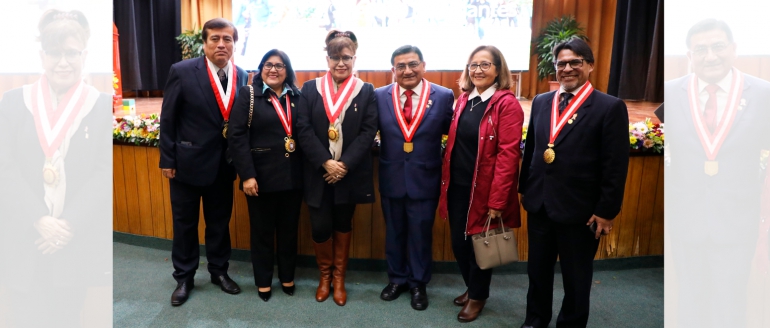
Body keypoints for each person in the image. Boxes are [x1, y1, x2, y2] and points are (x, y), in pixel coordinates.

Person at [0, 9, 112, 326]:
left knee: (68, 315)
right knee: (24, 317)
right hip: (25, 238)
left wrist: (67, 225)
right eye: (54, 53)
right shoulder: (12, 102)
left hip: (72, 242)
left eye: (71, 53)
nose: (63, 62)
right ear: (42, 55)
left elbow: (104, 173)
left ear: (84, 54)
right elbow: (3, 167)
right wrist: (39, 219)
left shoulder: (102, 105)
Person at [664, 19, 770, 327]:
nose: (710, 56)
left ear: (734, 50)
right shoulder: (671, 93)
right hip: (686, 220)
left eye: (718, 47)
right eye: (701, 49)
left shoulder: (763, 94)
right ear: (690, 55)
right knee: (689, 297)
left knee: (730, 299)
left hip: (738, 219)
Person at [518, 37, 629, 328]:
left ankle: (571, 324)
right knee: (537, 272)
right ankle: (535, 319)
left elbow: (615, 165)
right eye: (561, 63)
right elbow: (532, 149)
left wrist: (607, 210)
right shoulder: (542, 102)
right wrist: (525, 189)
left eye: (575, 62)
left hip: (581, 211)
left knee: (576, 278)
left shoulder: (609, 107)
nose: (567, 68)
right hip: (540, 204)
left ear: (589, 66)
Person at [159, 18, 249, 306]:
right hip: (186, 164)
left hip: (224, 166)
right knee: (185, 225)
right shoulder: (183, 71)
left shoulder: (243, 75)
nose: (221, 44)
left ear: (234, 44)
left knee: (219, 224)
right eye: (215, 39)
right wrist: (167, 160)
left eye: (227, 39)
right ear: (205, 43)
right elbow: (169, 118)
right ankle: (184, 278)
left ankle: (219, 271)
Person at [437, 45, 524, 322]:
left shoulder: (506, 104)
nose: (478, 70)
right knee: (459, 243)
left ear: (499, 70)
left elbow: (508, 155)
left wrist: (497, 201)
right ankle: (472, 287)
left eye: (485, 65)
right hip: (458, 186)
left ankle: (478, 296)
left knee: (480, 245)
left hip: (486, 192)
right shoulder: (464, 99)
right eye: (473, 65)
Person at [295, 29, 378, 307]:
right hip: (318, 172)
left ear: (354, 57)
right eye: (334, 57)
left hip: (348, 174)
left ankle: (339, 279)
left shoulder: (366, 91)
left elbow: (368, 132)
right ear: (326, 58)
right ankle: (325, 277)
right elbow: (303, 129)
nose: (340, 63)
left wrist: (342, 165)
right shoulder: (310, 88)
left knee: (343, 223)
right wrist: (325, 161)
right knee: (319, 226)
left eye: (346, 57)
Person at [375, 45, 454, 311]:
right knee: (394, 232)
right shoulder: (378, 96)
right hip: (392, 175)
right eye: (401, 66)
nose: (407, 71)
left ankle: (418, 283)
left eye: (413, 64)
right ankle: (397, 279)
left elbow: (450, 134)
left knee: (421, 234)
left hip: (425, 178)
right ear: (393, 70)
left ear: (423, 65)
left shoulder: (443, 96)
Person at [227, 49, 303, 302]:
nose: (273, 70)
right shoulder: (248, 94)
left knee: (289, 231)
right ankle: (263, 281)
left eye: (279, 65)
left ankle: (287, 277)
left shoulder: (297, 96)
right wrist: (247, 175)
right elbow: (237, 137)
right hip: (259, 179)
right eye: (268, 65)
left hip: (293, 177)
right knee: (262, 232)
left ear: (287, 70)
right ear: (260, 69)